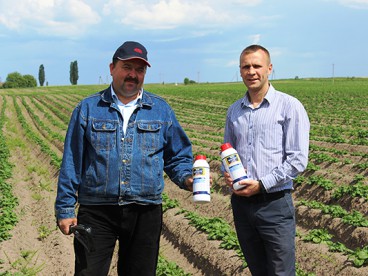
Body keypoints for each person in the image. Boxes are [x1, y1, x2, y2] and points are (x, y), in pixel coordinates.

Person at [55, 41, 195, 276]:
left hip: (145, 210)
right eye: (127, 67)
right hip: (97, 210)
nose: (133, 75)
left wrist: (189, 179)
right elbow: (72, 160)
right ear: (112, 68)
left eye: (139, 70)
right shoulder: (88, 109)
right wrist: (65, 208)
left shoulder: (160, 110)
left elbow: (177, 157)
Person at [223, 45, 310, 276]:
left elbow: (297, 159)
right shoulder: (234, 111)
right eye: (246, 66)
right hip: (242, 205)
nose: (251, 71)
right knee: (258, 270)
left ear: (269, 68)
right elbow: (227, 151)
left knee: (281, 272)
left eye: (256, 66)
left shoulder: (289, 106)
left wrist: (262, 184)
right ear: (240, 71)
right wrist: (228, 174)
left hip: (274, 204)